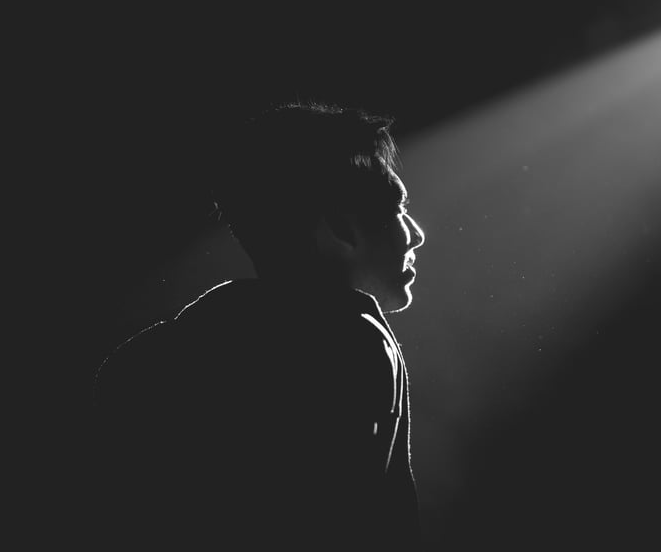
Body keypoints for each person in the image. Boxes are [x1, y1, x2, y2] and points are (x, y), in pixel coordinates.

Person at [93, 103, 426, 549]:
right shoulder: (355, 341)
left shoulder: (147, 356)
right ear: (340, 229)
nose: (416, 234)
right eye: (398, 208)